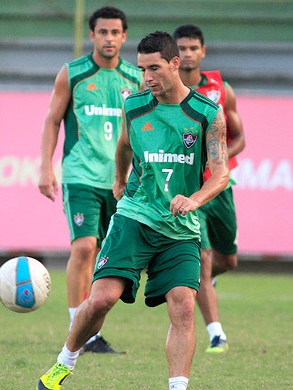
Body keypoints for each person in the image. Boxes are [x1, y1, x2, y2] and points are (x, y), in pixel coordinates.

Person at [37, 31, 230, 390]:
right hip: (135, 218)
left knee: (184, 305)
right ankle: (64, 362)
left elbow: (221, 174)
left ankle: (177, 387)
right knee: (100, 301)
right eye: (142, 70)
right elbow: (124, 145)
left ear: (175, 64)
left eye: (154, 68)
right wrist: (118, 179)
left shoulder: (207, 114)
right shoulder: (135, 105)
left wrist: (194, 200)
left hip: (180, 227)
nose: (147, 78)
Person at [38, 6, 143, 354]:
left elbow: (146, 130)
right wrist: (45, 167)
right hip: (81, 176)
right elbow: (53, 121)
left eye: (115, 32)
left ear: (124, 36)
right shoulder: (73, 74)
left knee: (104, 255)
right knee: (83, 248)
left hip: (121, 181)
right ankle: (80, 331)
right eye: (103, 32)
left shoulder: (137, 79)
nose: (109, 38)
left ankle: (90, 327)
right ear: (92, 35)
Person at [173, 24, 246, 353]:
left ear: (203, 51)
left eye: (193, 48)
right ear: (173, 55)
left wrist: (216, 158)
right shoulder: (168, 93)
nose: (187, 54)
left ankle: (206, 283)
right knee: (201, 257)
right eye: (182, 49)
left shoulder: (221, 89)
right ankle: (217, 334)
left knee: (227, 261)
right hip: (190, 189)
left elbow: (240, 139)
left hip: (219, 186)